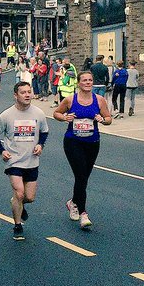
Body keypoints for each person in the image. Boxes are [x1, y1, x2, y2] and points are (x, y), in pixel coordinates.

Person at [54, 69, 111, 230]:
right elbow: (56, 113)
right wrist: (65, 117)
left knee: (84, 177)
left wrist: (102, 119)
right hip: (73, 141)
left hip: (92, 142)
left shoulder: (99, 100)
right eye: (84, 80)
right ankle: (83, 212)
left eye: (90, 80)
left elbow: (108, 119)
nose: (87, 83)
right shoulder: (71, 100)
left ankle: (73, 202)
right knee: (80, 175)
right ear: (79, 83)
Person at [0, 81, 49, 240]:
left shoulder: (38, 113)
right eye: (23, 92)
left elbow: (44, 132)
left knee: (29, 197)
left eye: (29, 92)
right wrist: (2, 151)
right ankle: (17, 226)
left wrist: (40, 145)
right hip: (14, 161)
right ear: (15, 95)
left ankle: (18, 203)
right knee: (19, 192)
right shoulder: (6, 115)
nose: (27, 95)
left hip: (32, 161)